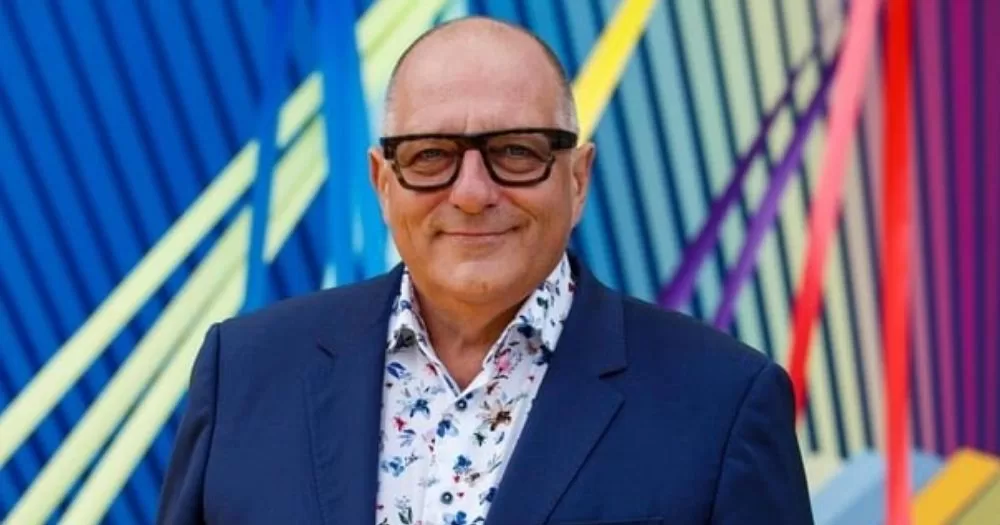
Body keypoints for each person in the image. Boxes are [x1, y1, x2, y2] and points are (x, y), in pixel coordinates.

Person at [158, 16, 813, 525]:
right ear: (382, 183)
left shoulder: (723, 402)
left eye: (516, 151)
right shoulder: (244, 372)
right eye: (431, 154)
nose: (471, 191)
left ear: (578, 179)